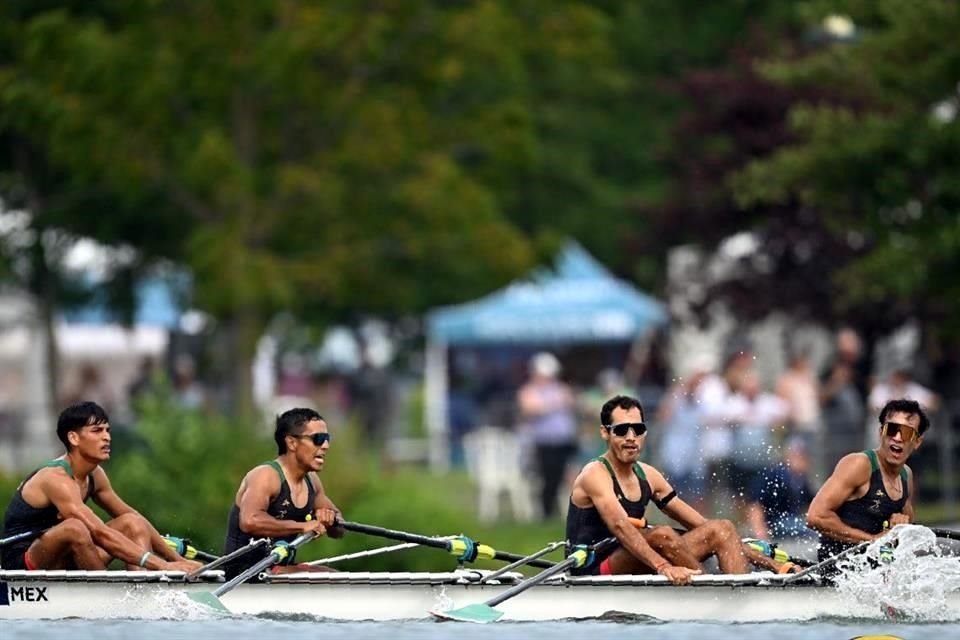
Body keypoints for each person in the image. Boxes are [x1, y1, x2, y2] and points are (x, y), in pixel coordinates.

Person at [566, 394, 769, 585]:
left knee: (722, 528)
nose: (631, 437)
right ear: (605, 432)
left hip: (639, 555)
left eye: (637, 429)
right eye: (621, 430)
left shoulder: (649, 475)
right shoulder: (594, 474)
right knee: (661, 534)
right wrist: (663, 567)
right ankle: (712, 592)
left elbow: (702, 526)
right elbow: (621, 527)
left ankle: (740, 593)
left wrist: (775, 565)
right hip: (594, 567)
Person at [0, 401, 201, 572]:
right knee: (75, 527)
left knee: (132, 522)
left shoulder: (96, 475)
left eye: (107, 430)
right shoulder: (55, 479)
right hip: (24, 559)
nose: (107, 437)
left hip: (68, 555)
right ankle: (107, 594)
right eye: (96, 431)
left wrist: (177, 560)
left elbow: (136, 519)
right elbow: (98, 532)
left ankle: (143, 590)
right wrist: (162, 565)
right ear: (74, 438)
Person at [222, 407, 344, 578]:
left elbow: (340, 530)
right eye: (318, 439)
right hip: (244, 574)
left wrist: (330, 519)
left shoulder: (312, 481)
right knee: (329, 578)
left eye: (327, 438)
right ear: (292, 443)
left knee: (332, 576)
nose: (326, 446)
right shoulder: (265, 476)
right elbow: (250, 521)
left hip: (277, 571)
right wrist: (303, 526)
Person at [806, 398, 928, 561]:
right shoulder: (859, 464)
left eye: (906, 433)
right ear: (881, 432)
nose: (897, 438)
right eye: (892, 429)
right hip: (839, 572)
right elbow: (816, 517)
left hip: (874, 573)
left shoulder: (907, 475)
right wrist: (873, 541)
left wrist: (901, 528)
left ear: (917, 442)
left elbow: (900, 534)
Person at [517, 352, 579, 520]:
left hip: (564, 440)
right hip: (544, 442)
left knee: (565, 476)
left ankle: (568, 511)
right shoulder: (529, 391)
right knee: (548, 477)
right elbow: (530, 409)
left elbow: (572, 402)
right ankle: (546, 512)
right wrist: (553, 404)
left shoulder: (560, 388)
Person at [746, 438, 815, 541]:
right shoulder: (776, 475)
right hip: (776, 524)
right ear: (788, 457)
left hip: (792, 522)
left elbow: (811, 502)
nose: (801, 461)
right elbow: (755, 504)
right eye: (797, 456)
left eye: (803, 457)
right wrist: (760, 532)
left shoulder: (800, 479)